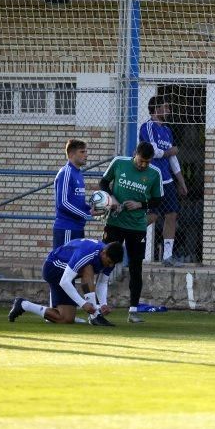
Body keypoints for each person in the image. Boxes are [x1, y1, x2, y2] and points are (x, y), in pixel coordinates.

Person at [100, 141, 164, 324]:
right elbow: (103, 182)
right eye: (141, 161)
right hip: (115, 222)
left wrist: (140, 205)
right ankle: (98, 306)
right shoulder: (119, 162)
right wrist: (111, 199)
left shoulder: (154, 173)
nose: (143, 165)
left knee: (136, 267)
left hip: (137, 226)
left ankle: (133, 310)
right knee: (104, 262)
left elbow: (158, 200)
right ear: (135, 153)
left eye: (147, 162)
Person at [8, 238, 124, 325]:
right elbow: (64, 281)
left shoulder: (110, 258)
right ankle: (94, 316)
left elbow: (102, 283)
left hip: (67, 273)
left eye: (112, 263)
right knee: (87, 267)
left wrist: (103, 304)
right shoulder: (88, 253)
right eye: (108, 262)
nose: (110, 265)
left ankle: (23, 304)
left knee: (66, 319)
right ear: (103, 253)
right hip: (53, 268)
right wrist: (83, 304)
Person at [139, 95, 189, 267]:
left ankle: (167, 256)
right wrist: (171, 151)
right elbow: (153, 151)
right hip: (152, 180)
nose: (168, 110)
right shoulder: (148, 126)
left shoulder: (167, 131)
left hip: (167, 181)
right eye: (166, 107)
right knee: (152, 216)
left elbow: (172, 158)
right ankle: (128, 236)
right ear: (156, 108)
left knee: (172, 215)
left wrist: (181, 181)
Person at [53, 138, 94, 249]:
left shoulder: (78, 173)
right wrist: (86, 214)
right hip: (67, 228)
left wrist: (92, 209)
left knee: (76, 265)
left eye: (86, 151)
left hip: (78, 228)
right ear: (71, 154)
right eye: (82, 152)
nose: (86, 155)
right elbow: (63, 203)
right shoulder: (66, 172)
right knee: (64, 264)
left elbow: (78, 203)